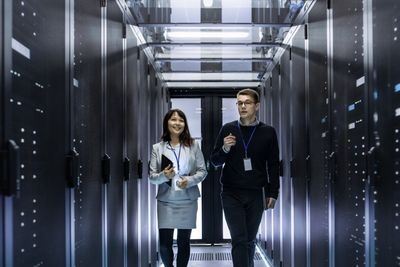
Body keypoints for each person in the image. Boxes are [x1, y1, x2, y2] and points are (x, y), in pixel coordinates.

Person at [210, 88, 280, 267]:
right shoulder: (228, 129)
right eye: (239, 103)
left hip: (256, 193)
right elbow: (215, 161)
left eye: (247, 103)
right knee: (239, 239)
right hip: (231, 193)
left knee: (249, 240)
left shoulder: (268, 132)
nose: (242, 106)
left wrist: (273, 193)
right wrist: (225, 148)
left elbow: (273, 165)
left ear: (256, 106)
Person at [149, 109, 208, 267]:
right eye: (173, 119)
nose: (177, 123)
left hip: (188, 201)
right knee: (164, 244)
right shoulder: (158, 148)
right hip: (166, 201)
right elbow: (152, 177)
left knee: (184, 243)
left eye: (181, 120)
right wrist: (164, 176)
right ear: (167, 123)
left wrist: (188, 181)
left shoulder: (193, 145)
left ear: (185, 124)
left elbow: (203, 171)